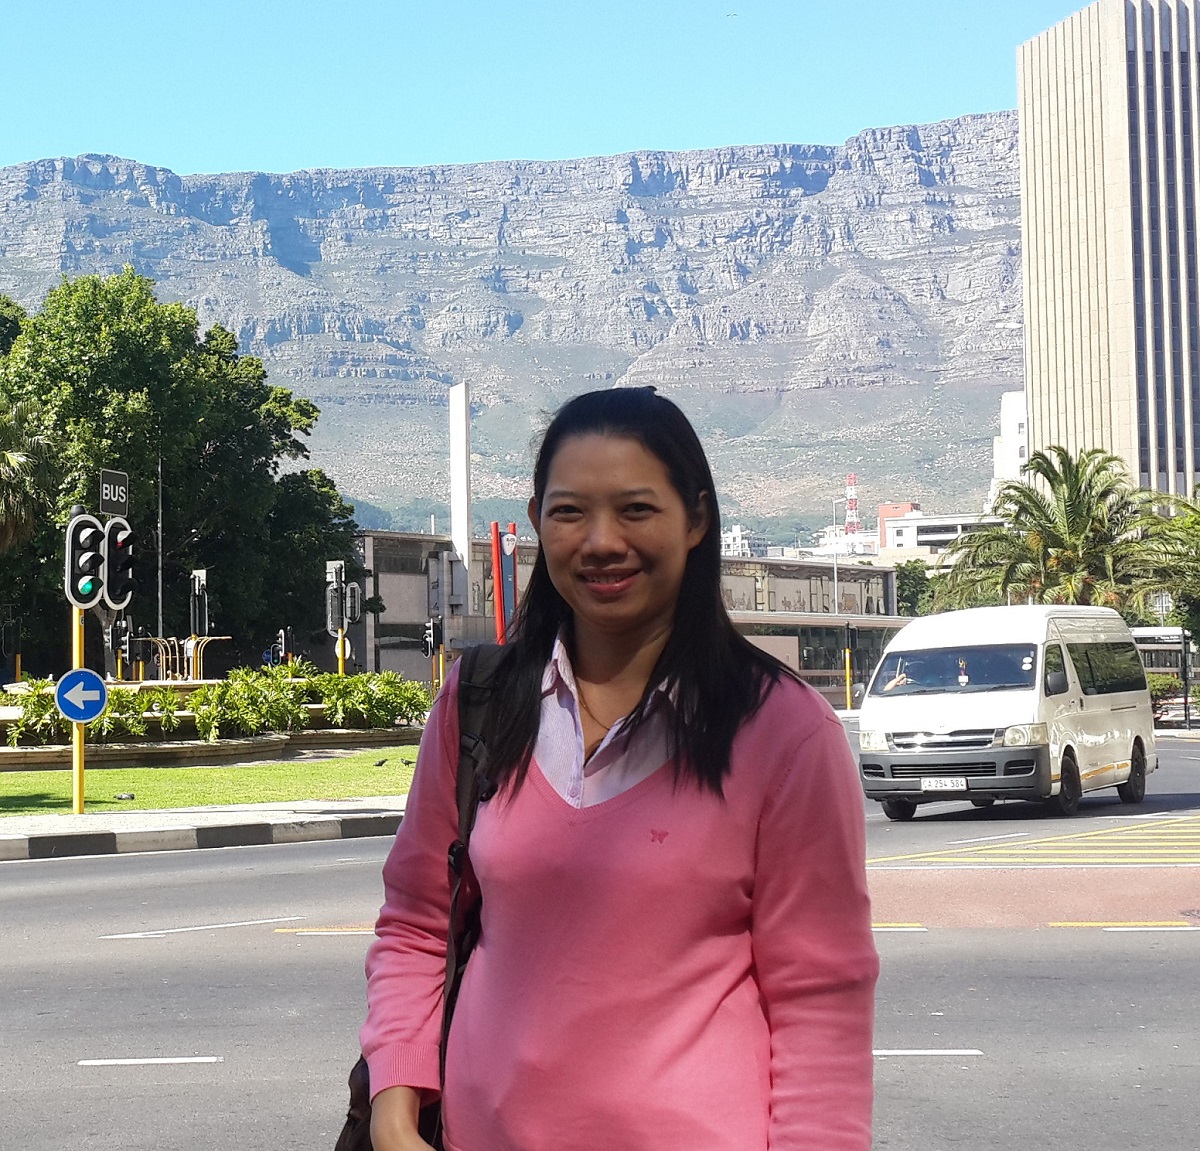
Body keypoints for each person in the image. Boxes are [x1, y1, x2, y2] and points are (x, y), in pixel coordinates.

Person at [359, 387, 879, 1151]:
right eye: (570, 512)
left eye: (636, 509)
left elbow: (820, 1003)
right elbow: (416, 923)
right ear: (537, 520)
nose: (602, 541)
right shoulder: (480, 704)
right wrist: (394, 1105)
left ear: (696, 520)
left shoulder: (785, 733)